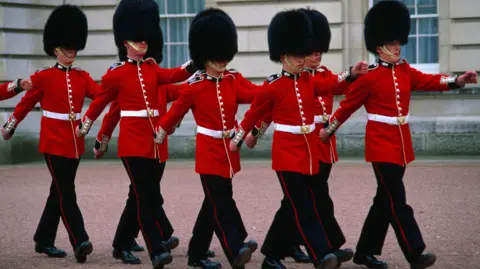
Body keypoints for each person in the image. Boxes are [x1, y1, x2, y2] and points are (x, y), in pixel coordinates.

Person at [319, 1, 478, 269]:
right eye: (392, 43)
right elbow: (347, 107)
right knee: (397, 200)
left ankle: (365, 252)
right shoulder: (369, 77)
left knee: (384, 200)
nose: (397, 47)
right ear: (379, 45)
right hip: (381, 144)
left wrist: (458, 80)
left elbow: (431, 81)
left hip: (401, 142)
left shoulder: (405, 71)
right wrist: (329, 129)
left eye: (398, 42)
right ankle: (415, 253)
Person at [76, 0, 196, 268]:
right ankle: (156, 248)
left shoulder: (153, 68)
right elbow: (101, 103)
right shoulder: (116, 74)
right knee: (145, 197)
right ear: (125, 42)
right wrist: (88, 127)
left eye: (145, 40)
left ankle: (121, 244)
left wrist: (193, 64)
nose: (143, 44)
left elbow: (174, 75)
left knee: (142, 196)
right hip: (132, 143)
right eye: (138, 40)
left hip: (155, 142)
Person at [230, 9, 340, 269]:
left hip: (309, 150)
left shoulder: (308, 80)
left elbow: (331, 85)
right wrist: (241, 138)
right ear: (284, 56)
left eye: (305, 53)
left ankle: (272, 256)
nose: (304, 58)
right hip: (286, 153)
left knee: (297, 204)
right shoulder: (273, 84)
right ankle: (322, 254)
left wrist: (353, 74)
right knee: (303, 205)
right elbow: (256, 113)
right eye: (298, 54)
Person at [154, 8, 258, 269]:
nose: (222, 61)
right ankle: (235, 248)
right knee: (220, 200)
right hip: (209, 150)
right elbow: (175, 111)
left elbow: (257, 94)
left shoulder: (233, 79)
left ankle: (197, 253)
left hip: (229, 150)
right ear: (204, 55)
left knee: (213, 201)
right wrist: (162, 130)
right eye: (216, 56)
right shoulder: (195, 85)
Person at [1, 4, 98, 263]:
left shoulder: (82, 77)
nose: (72, 50)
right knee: (67, 192)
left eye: (74, 46)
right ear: (56, 47)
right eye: (67, 45)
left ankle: (43, 240)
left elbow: (100, 97)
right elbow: (26, 103)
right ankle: (80, 240)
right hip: (53, 142)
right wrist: (11, 125)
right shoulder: (43, 77)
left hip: (74, 143)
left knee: (58, 191)